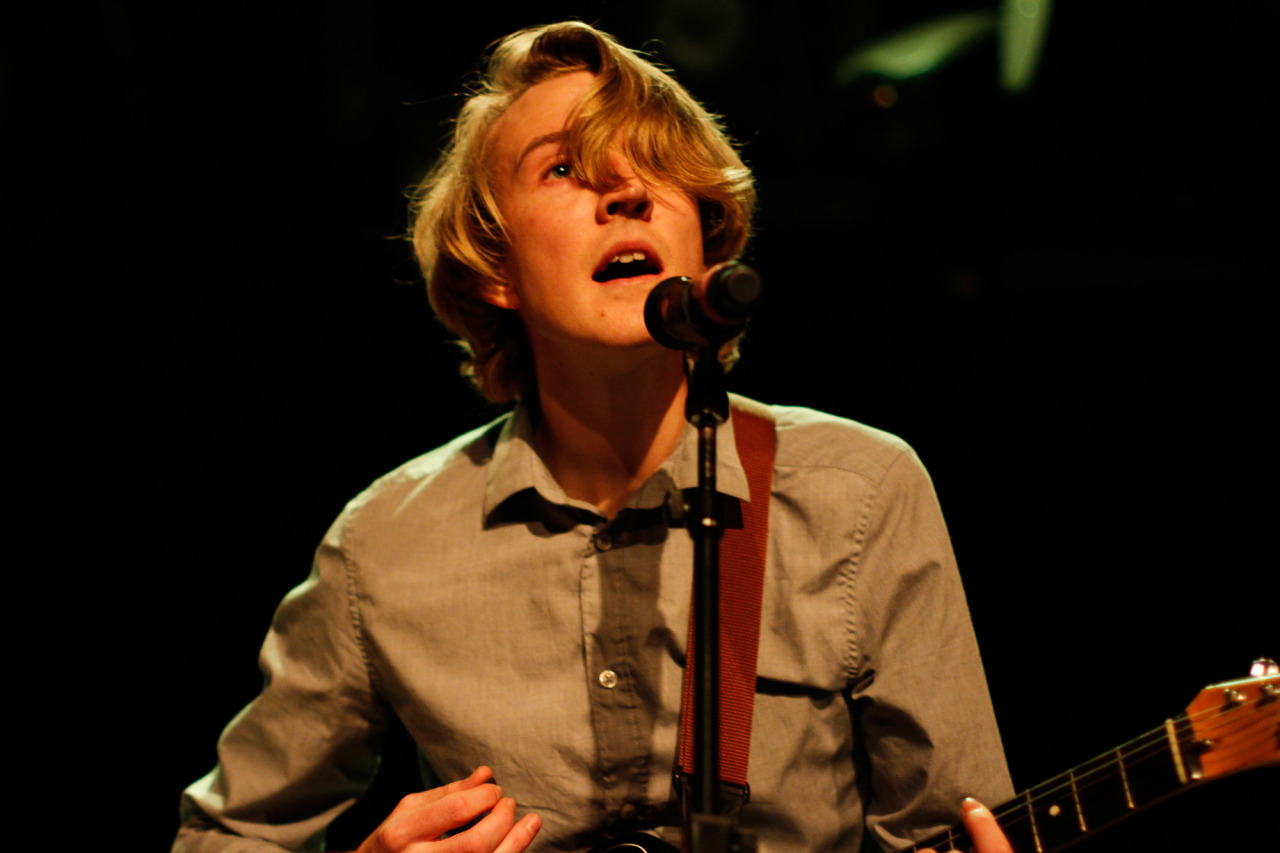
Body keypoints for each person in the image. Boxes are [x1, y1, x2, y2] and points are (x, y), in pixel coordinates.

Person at [175, 21, 1015, 853]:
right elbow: (224, 835)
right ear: (493, 266)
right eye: (566, 169)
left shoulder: (860, 493)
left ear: (708, 236)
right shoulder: (384, 544)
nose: (627, 192)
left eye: (656, 166)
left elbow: (958, 825)